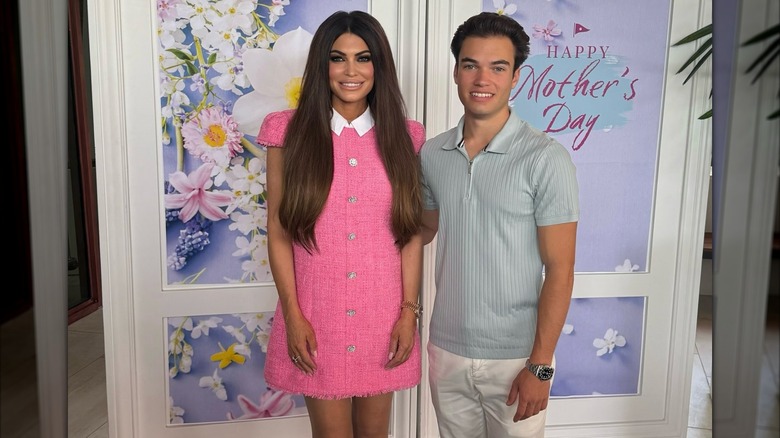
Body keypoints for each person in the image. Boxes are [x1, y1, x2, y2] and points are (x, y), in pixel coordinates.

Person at [256, 10, 426, 437]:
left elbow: (408, 235)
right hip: (317, 317)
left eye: (363, 58)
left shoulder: (405, 136)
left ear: (378, 66)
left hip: (382, 318)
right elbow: (278, 232)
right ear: (322, 65)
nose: (351, 71)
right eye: (338, 58)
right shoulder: (286, 132)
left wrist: (408, 313)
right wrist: (294, 316)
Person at [420, 12, 579, 438]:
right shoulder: (432, 154)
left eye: (498, 67)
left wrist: (540, 364)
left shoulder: (546, 158)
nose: (481, 78)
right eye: (471, 64)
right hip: (446, 349)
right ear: (456, 71)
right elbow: (419, 231)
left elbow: (560, 269)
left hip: (517, 357)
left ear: (517, 77)